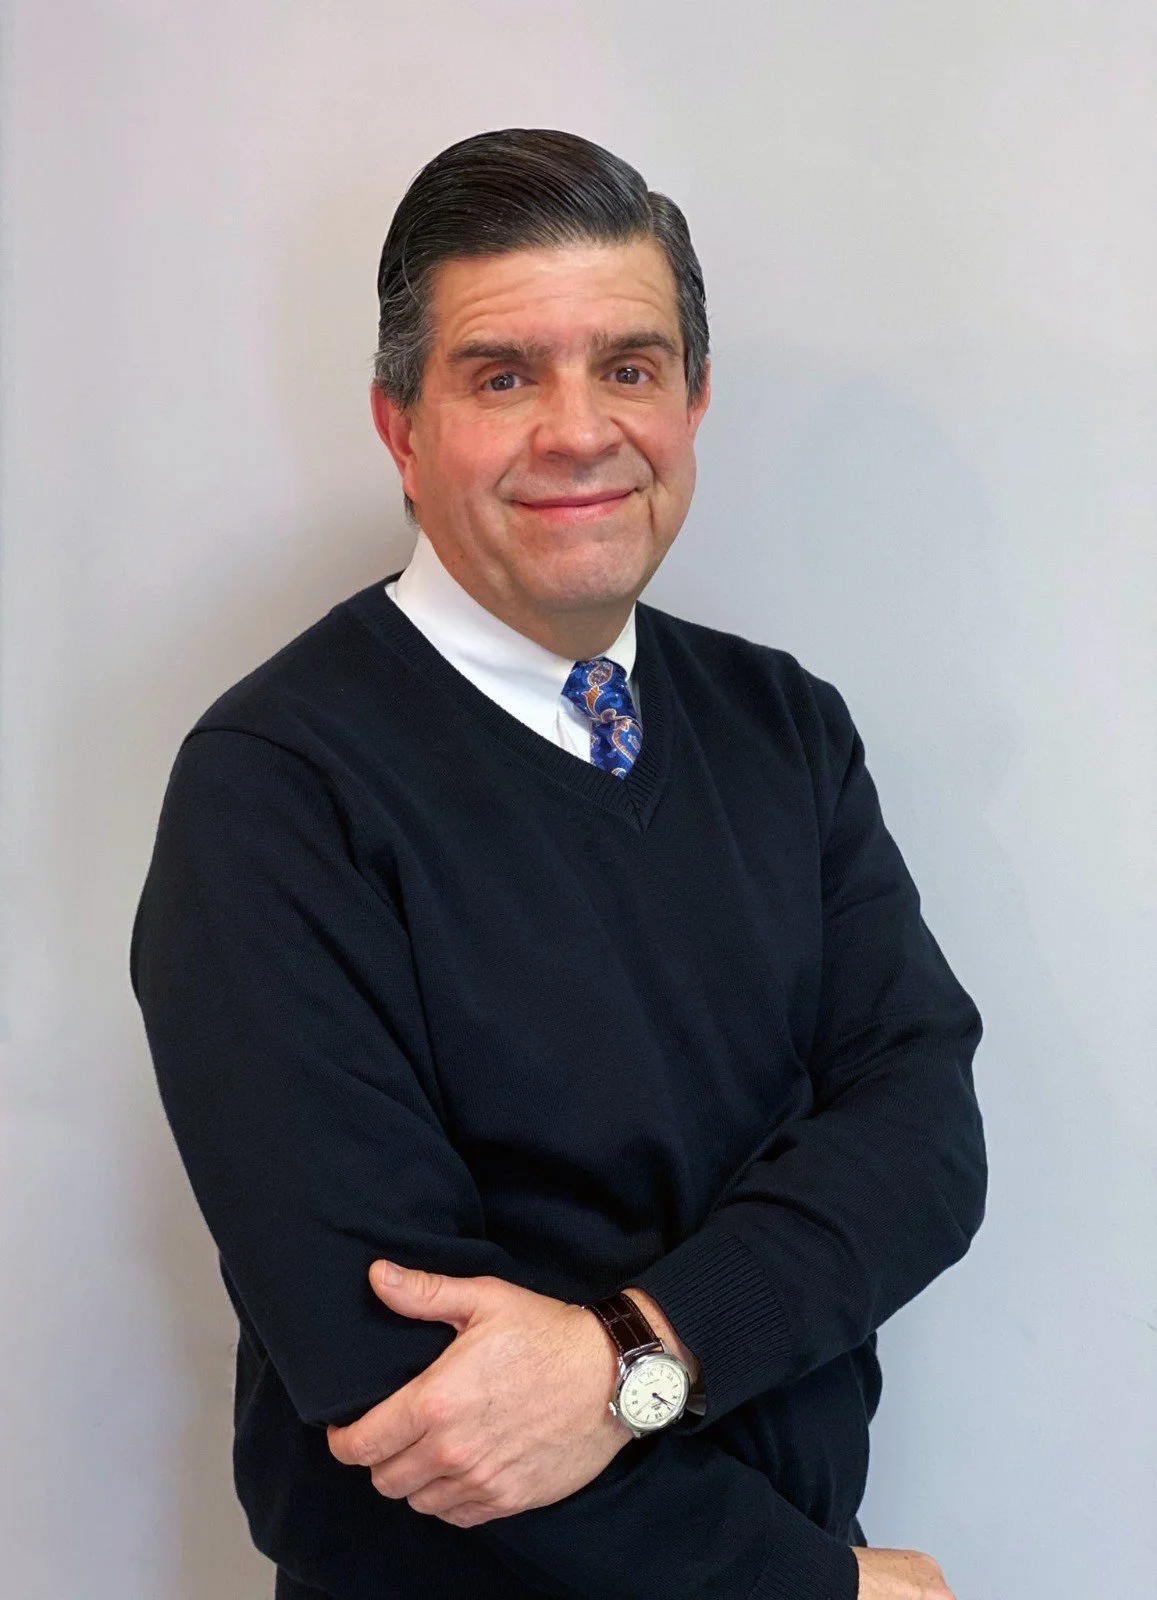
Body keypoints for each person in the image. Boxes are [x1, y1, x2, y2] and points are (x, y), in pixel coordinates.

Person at [130, 128, 985, 1600]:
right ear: (400, 427)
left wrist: (631, 1357)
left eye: (630, 367)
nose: (581, 432)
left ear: (693, 402)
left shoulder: (785, 725)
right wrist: (810, 1589)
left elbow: (920, 1144)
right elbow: (402, 1384)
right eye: (504, 376)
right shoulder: (276, 790)